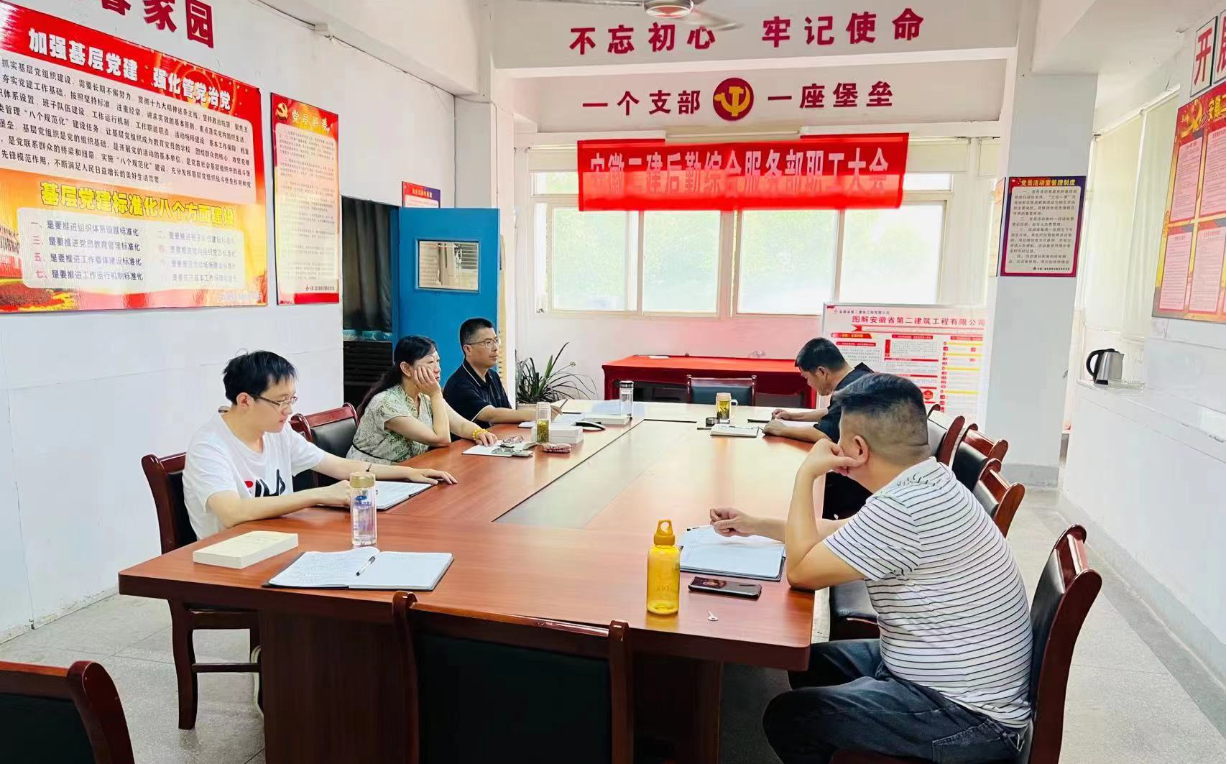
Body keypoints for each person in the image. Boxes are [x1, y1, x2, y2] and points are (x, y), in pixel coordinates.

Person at [710, 373, 1031, 764]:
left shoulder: (903, 509)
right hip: (944, 673)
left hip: (970, 718)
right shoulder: (930, 481)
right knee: (813, 663)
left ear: (858, 448)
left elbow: (801, 571)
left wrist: (807, 474)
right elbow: (839, 532)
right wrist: (755, 524)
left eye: (840, 439)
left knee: (790, 718)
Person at [183, 350, 456, 539]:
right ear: (245, 400)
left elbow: (337, 466)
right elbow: (232, 513)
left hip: (279, 540)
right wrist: (318, 495)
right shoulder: (210, 446)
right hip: (231, 559)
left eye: (291, 399)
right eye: (280, 401)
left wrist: (408, 472)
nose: (289, 410)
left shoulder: (276, 432)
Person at [765, 338, 873, 518]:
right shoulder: (860, 378)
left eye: (807, 378)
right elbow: (833, 412)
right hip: (873, 467)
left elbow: (824, 435)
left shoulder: (850, 390)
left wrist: (781, 430)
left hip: (866, 481)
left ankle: (818, 531)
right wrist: (794, 416)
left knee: (814, 489)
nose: (808, 384)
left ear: (822, 372)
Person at [348, 335, 500, 464]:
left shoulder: (425, 395)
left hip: (410, 469)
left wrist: (478, 433)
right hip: (371, 476)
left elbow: (459, 425)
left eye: (438, 361)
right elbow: (442, 439)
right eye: (430, 362)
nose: (438, 368)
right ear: (406, 368)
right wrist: (436, 395)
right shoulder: (386, 403)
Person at [444, 317, 555, 429]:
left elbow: (507, 413)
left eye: (496, 341)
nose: (495, 348)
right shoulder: (458, 384)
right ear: (468, 349)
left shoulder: (493, 376)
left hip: (497, 437)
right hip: (471, 440)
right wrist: (538, 413)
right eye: (488, 343)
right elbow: (491, 415)